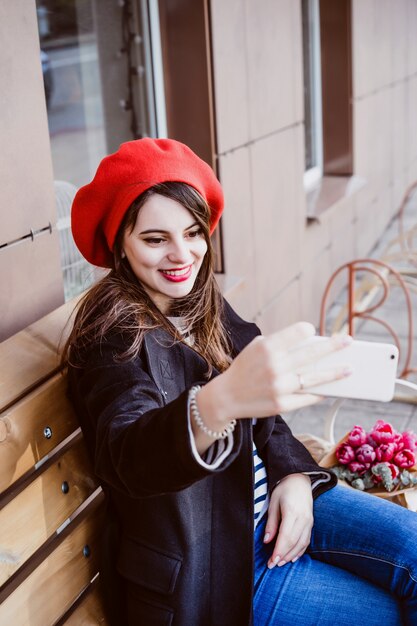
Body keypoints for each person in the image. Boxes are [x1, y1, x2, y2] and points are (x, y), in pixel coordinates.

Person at [66, 138, 417, 626]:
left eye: (193, 232)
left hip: (271, 504)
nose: (182, 254)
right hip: (220, 568)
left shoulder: (198, 301)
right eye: (154, 239)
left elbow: (264, 410)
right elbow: (128, 452)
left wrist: (293, 475)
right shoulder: (109, 337)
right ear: (119, 244)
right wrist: (216, 403)